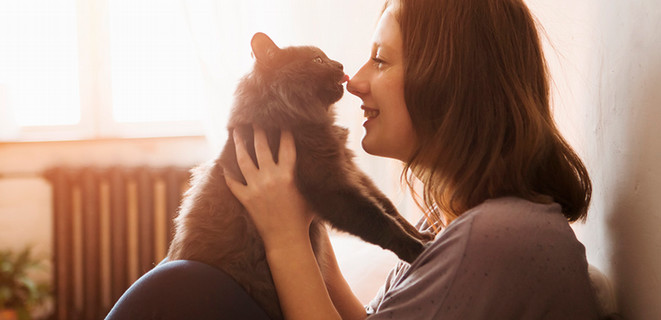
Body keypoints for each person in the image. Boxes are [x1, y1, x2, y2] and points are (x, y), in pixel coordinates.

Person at [108, 0, 601, 319]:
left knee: (179, 287)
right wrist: (305, 235)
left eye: (381, 60)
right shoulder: (475, 225)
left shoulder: (495, 236)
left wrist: (284, 238)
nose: (355, 80)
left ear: (449, 83)